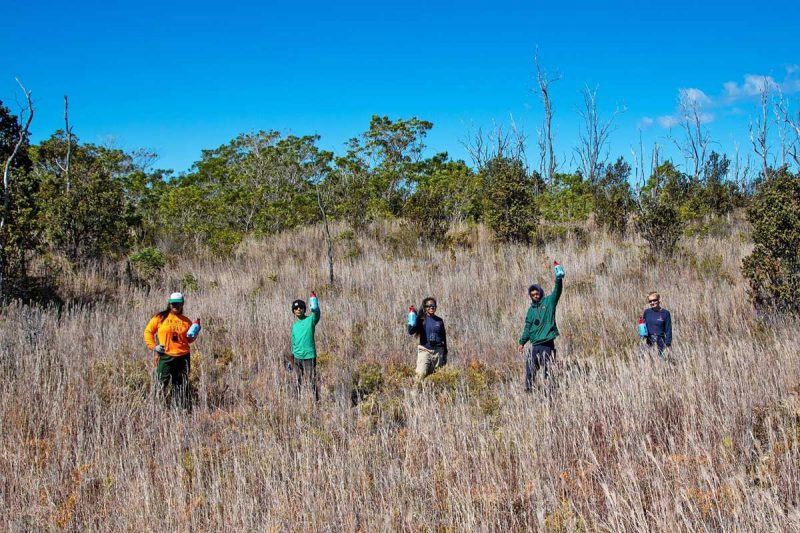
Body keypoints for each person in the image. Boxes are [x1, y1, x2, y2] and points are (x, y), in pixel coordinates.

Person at [144, 292, 196, 407]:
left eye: (178, 304)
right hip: (165, 356)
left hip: (183, 357)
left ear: (182, 304)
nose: (175, 306)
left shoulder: (186, 321)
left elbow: (188, 340)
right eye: (173, 304)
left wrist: (194, 335)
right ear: (169, 304)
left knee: (180, 385)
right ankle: (156, 408)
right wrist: (154, 346)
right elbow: (148, 332)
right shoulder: (160, 317)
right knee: (160, 384)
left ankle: (178, 409)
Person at [517, 268, 564, 392]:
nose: (535, 296)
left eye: (536, 293)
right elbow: (527, 328)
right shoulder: (530, 310)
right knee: (530, 372)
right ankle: (529, 393)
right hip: (535, 347)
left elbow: (557, 291)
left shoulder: (549, 302)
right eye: (532, 295)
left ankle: (551, 393)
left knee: (549, 372)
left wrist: (558, 279)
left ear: (540, 292)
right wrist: (522, 342)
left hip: (547, 345)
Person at [408, 297, 448, 383]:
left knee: (436, 378)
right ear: (425, 307)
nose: (432, 308)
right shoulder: (421, 319)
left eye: (434, 306)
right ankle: (415, 394)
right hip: (425, 350)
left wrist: (445, 352)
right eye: (429, 306)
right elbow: (411, 332)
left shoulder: (439, 321)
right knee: (420, 375)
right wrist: (413, 319)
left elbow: (444, 337)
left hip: (438, 351)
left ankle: (432, 394)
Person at [290, 294, 321, 401]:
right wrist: (291, 359)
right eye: (296, 308)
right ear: (293, 311)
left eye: (301, 307)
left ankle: (316, 402)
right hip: (297, 357)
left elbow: (317, 314)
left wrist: (314, 302)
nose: (298, 309)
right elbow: (293, 343)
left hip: (309, 357)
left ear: (304, 309)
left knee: (312, 380)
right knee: (297, 380)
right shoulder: (294, 326)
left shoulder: (311, 320)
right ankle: (297, 401)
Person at [642, 291, 672, 358]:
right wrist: (643, 335)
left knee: (661, 361)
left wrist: (667, 345)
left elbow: (668, 330)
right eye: (650, 301)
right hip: (648, 341)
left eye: (654, 300)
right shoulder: (647, 312)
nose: (652, 302)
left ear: (659, 300)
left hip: (660, 340)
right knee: (645, 360)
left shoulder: (665, 313)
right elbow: (643, 325)